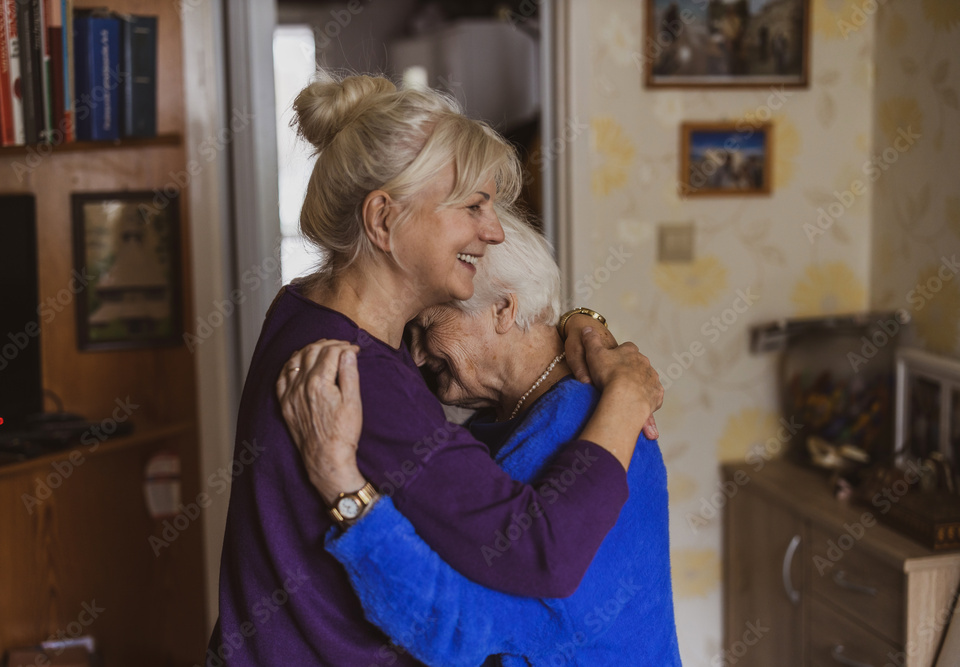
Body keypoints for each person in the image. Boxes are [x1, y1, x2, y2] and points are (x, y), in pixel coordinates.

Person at [207, 73, 663, 666]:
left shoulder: (303, 305)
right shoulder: (363, 378)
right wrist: (626, 398)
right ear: (383, 220)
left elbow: (501, 348)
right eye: (473, 206)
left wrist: (576, 319)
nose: (493, 230)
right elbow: (538, 552)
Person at [277, 212, 682, 666]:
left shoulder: (583, 426)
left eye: (428, 326)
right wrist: (579, 320)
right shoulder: (509, 419)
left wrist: (341, 485)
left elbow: (455, 630)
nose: (414, 354)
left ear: (504, 310)